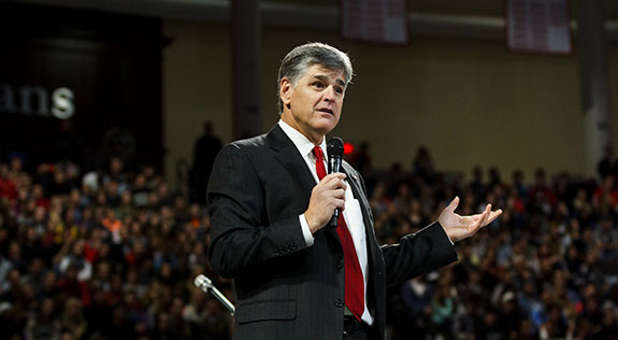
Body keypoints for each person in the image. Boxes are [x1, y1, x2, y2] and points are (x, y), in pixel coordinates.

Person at [207, 42, 502, 340]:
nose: (330, 96)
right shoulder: (245, 158)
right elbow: (226, 253)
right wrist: (306, 223)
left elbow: (365, 267)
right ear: (286, 90)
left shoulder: (348, 174)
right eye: (318, 84)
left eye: (339, 88)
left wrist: (440, 234)